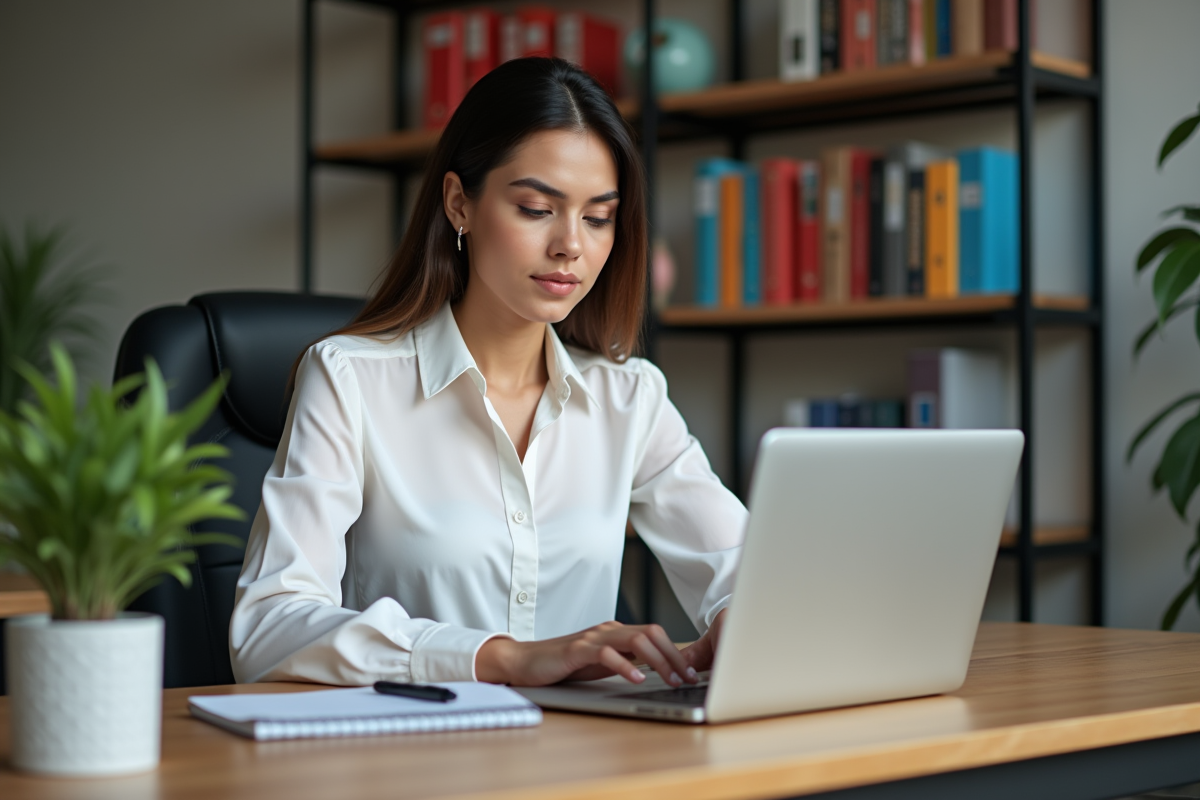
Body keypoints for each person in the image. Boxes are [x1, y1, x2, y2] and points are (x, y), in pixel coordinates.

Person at [229, 57, 747, 690]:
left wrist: (742, 620)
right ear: (459, 205)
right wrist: (502, 658)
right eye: (536, 209)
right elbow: (266, 626)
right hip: (414, 760)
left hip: (587, 765)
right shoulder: (349, 380)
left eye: (598, 217)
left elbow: (744, 569)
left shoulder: (628, 397)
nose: (571, 246)